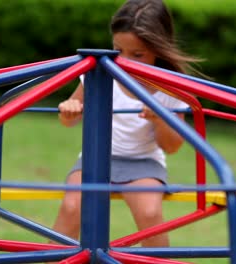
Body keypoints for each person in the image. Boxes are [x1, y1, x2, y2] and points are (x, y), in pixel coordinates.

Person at [51, 0, 202, 249]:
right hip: (95, 158)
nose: (124, 61)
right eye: (117, 49)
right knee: (72, 206)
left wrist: (160, 119)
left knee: (150, 214)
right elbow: (70, 118)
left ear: (158, 50)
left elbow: (172, 146)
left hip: (143, 164)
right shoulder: (100, 73)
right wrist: (68, 112)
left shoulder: (171, 88)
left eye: (137, 55)